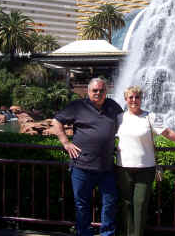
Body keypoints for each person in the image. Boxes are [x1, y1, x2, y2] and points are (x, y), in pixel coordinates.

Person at [115, 85, 175, 236]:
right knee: (126, 205)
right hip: (123, 168)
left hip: (145, 169)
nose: (134, 100)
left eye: (137, 97)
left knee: (140, 205)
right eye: (131, 97)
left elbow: (167, 132)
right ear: (126, 99)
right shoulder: (119, 118)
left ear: (141, 99)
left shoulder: (150, 116)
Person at [51, 78, 123, 236]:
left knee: (110, 203)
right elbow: (56, 121)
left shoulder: (113, 106)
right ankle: (84, 233)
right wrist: (65, 143)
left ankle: (107, 234)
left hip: (106, 167)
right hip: (81, 166)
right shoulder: (78, 106)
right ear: (88, 92)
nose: (98, 93)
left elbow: (126, 124)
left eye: (101, 90)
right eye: (95, 90)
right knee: (82, 205)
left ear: (106, 91)